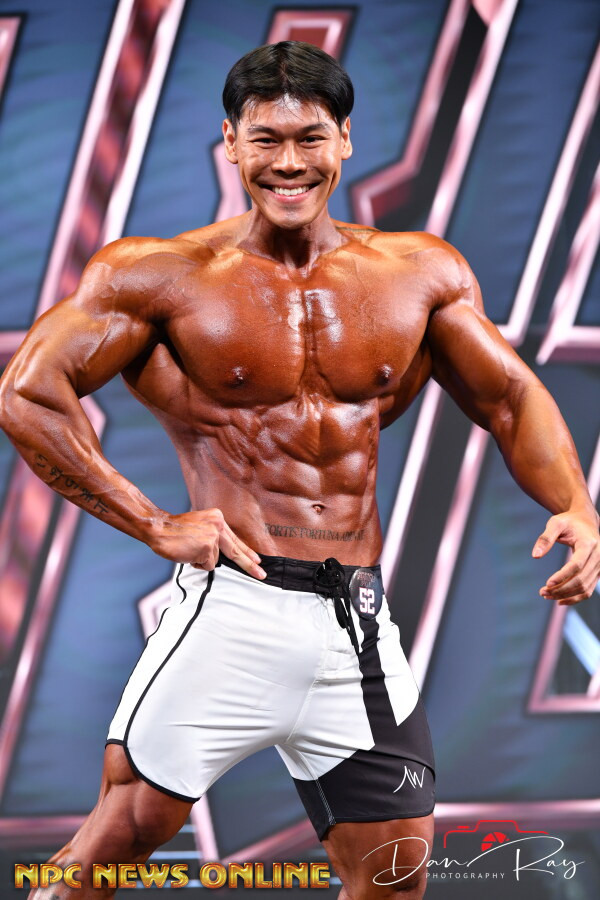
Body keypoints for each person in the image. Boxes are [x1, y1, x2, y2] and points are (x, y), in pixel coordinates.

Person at [0, 40, 598, 900]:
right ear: (231, 143)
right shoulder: (160, 275)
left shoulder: (417, 272)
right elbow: (29, 394)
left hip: (356, 621)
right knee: (117, 842)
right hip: (235, 607)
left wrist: (576, 504)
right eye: (266, 140)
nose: (289, 163)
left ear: (345, 139)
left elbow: (509, 396)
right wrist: (152, 522)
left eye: (310, 138)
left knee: (394, 876)